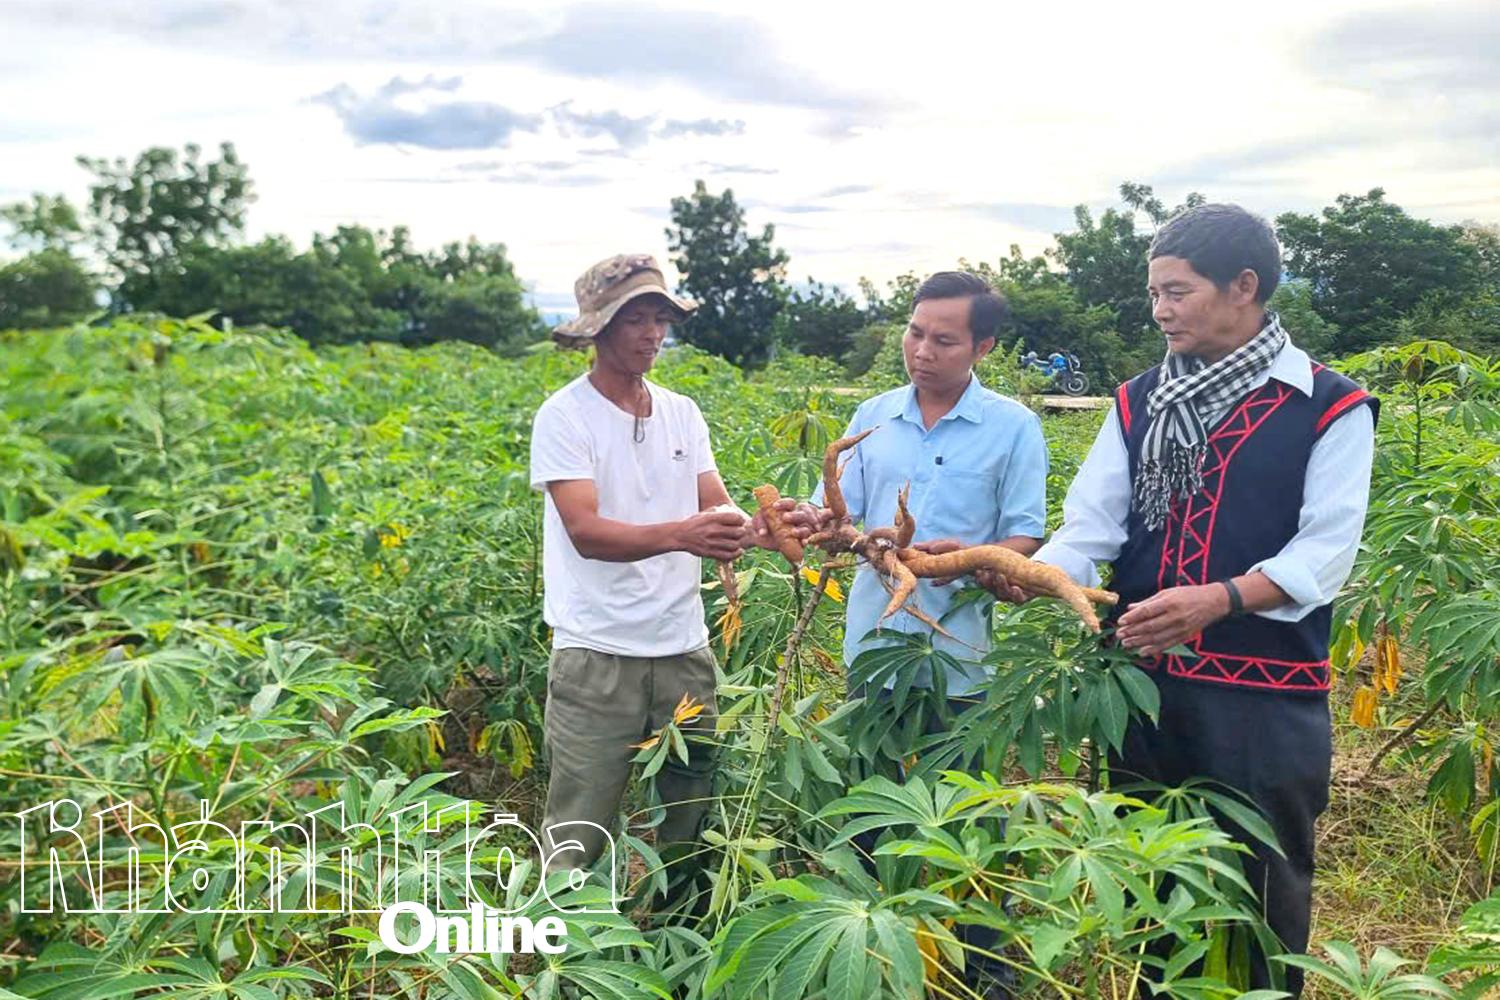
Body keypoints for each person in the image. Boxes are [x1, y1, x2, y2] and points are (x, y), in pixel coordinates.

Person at [1019, 204, 1378, 995]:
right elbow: (1092, 526)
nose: (1160, 310)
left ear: (1244, 286)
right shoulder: (1138, 400)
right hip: (1143, 687)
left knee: (1261, 893)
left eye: (1177, 292)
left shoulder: (1329, 406)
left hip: (1265, 697)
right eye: (1154, 293)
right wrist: (1041, 574)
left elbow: (1325, 552)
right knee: (1154, 895)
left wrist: (1217, 599)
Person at [792, 271, 1049, 996]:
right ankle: (875, 963)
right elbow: (829, 519)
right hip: (874, 653)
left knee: (969, 826)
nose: (922, 350)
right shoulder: (874, 415)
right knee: (871, 810)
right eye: (914, 332)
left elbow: (1025, 533)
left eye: (943, 339)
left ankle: (987, 975)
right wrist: (830, 529)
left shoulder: (1013, 427)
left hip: (964, 662)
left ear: (982, 346)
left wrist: (970, 560)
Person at [529, 252, 792, 881]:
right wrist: (684, 535)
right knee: (579, 829)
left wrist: (769, 525)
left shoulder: (682, 412)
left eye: (661, 319)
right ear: (599, 330)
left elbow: (714, 507)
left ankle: (677, 959)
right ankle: (567, 967)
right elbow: (586, 532)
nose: (653, 334)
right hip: (598, 655)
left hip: (683, 651)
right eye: (636, 320)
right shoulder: (564, 416)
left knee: (690, 822)